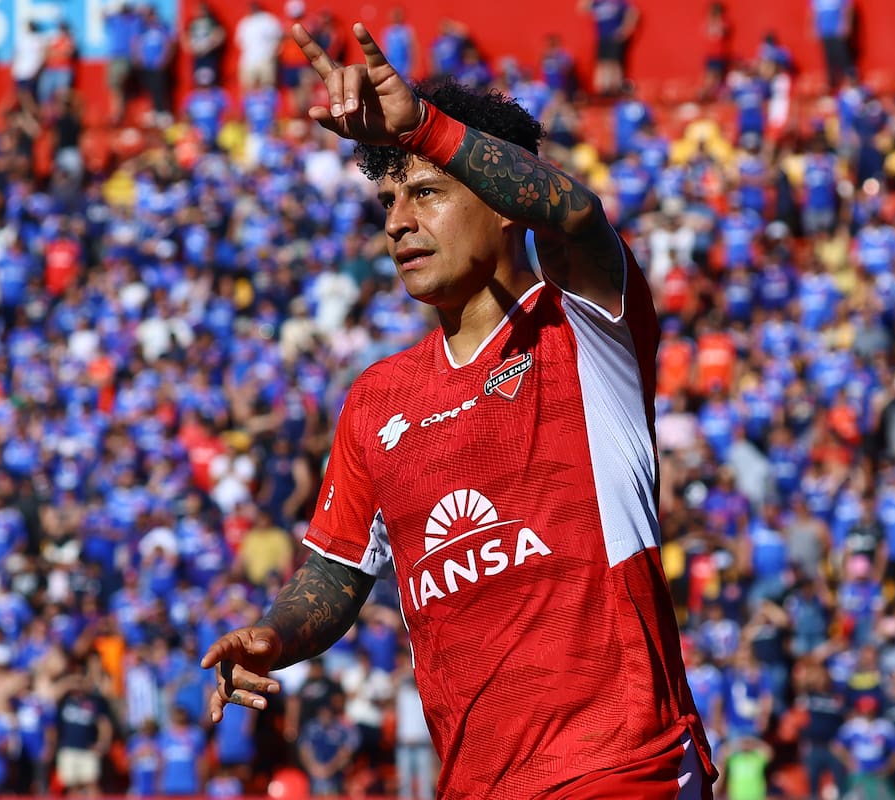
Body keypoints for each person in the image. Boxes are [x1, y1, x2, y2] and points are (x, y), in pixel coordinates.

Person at [201, 20, 717, 800]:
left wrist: (425, 129)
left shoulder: (582, 329)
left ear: (505, 203)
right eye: (388, 200)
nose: (398, 222)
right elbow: (337, 575)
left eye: (428, 192)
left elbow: (576, 215)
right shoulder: (377, 400)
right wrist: (277, 634)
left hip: (623, 766)